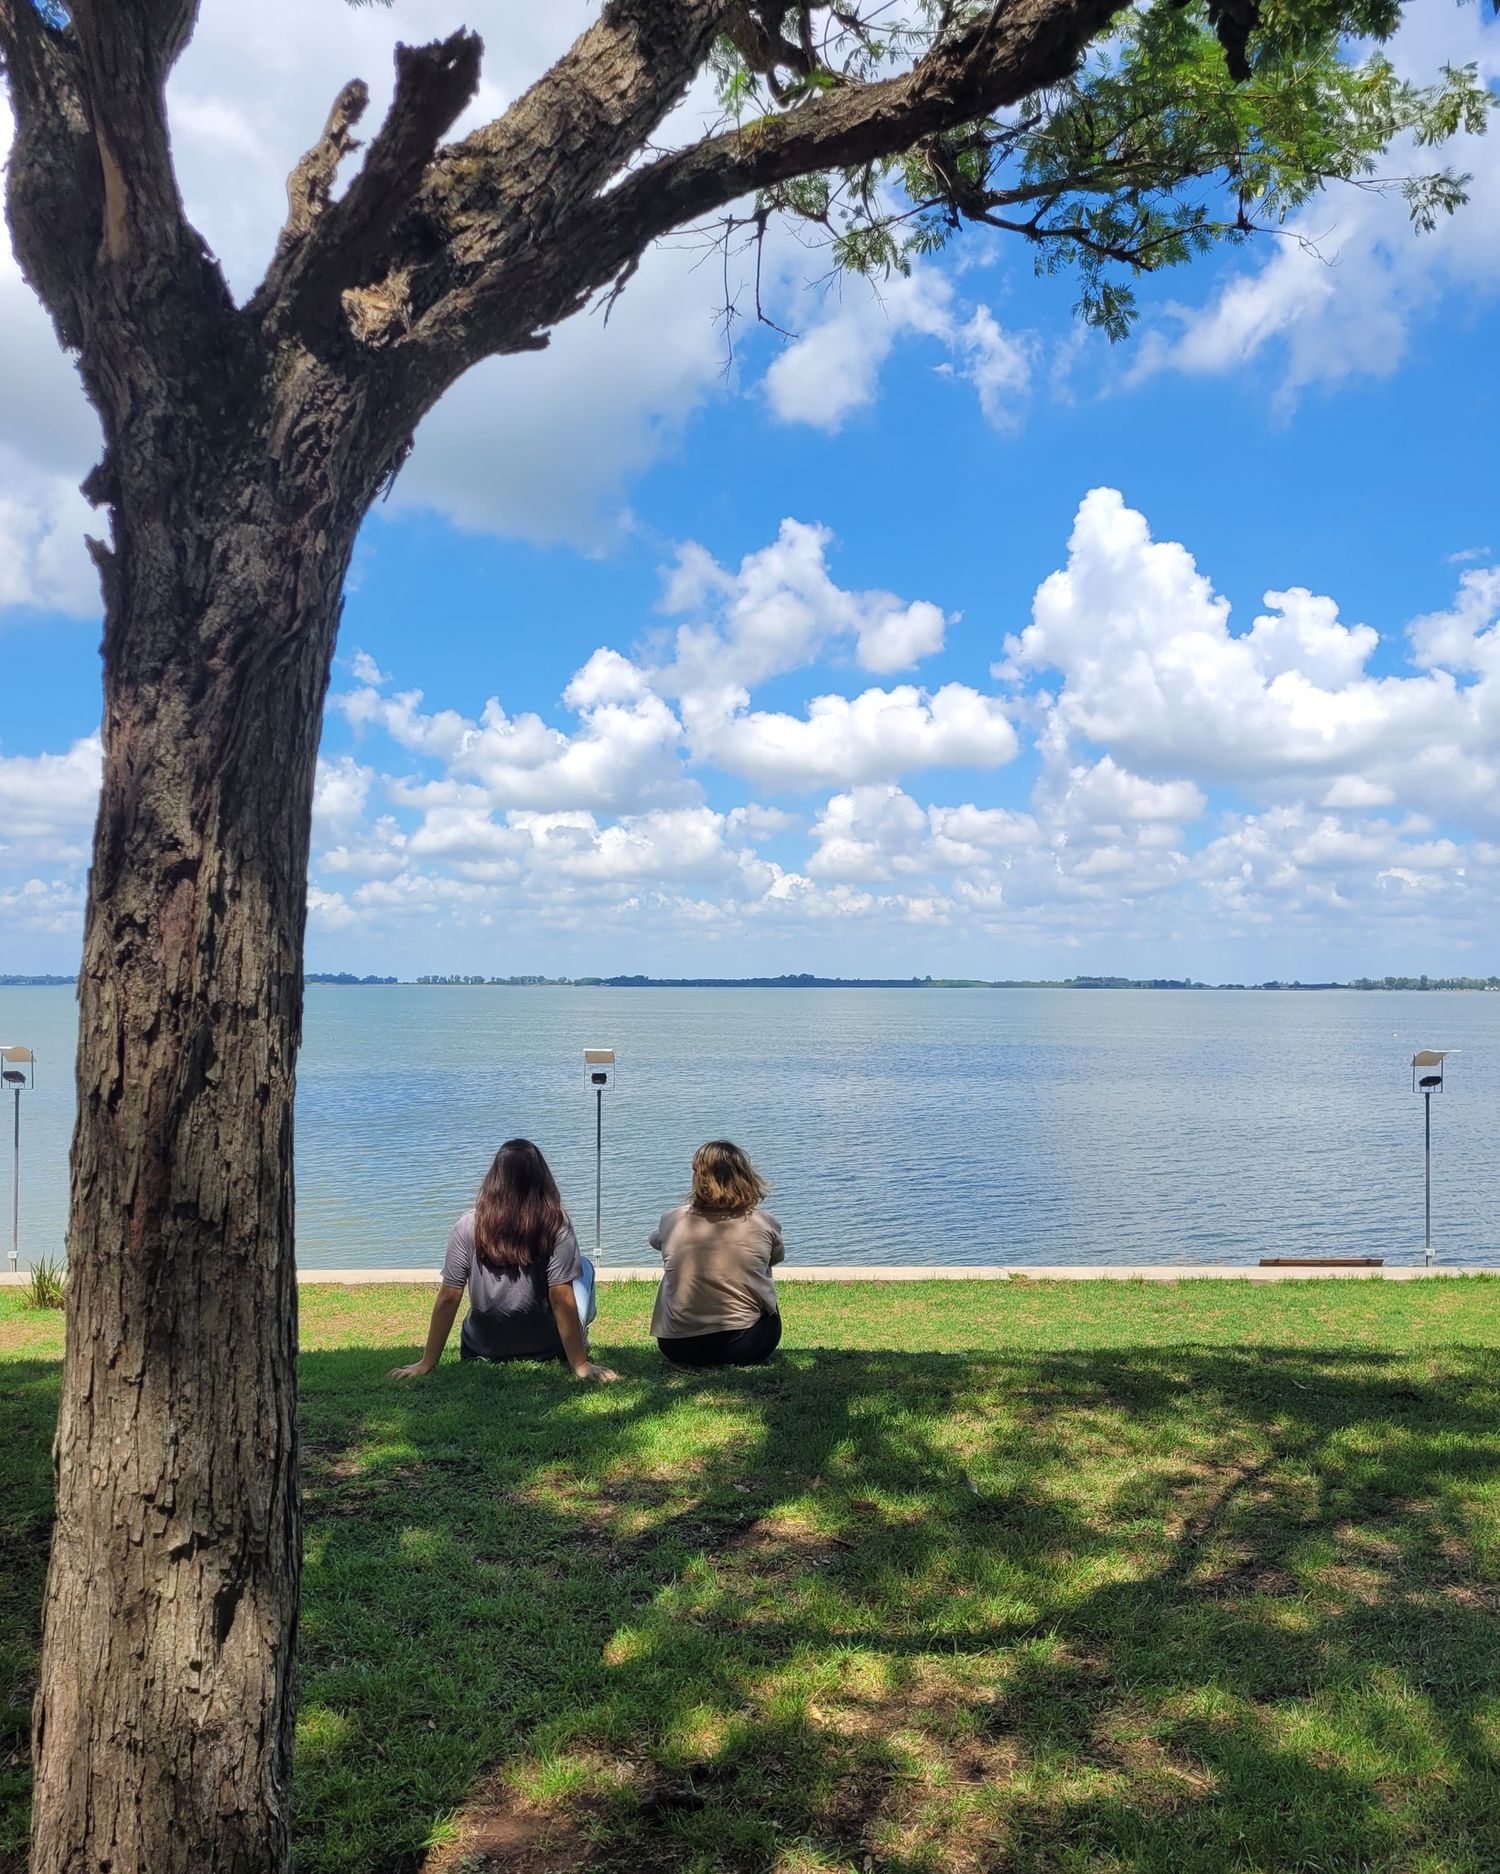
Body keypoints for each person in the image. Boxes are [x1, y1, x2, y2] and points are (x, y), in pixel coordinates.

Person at [391, 1139, 617, 1381]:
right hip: (547, 1348)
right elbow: (560, 1296)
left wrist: (427, 1362)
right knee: (584, 1266)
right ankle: (578, 1341)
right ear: (542, 1178)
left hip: (482, 1348)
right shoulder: (555, 1224)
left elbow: (449, 1297)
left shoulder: (467, 1225)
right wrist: (580, 1364)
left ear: (493, 1179)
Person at [650, 1140, 784, 1368]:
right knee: (763, 1279)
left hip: (678, 1347)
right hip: (748, 1345)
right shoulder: (764, 1222)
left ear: (697, 1177)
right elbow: (775, 1258)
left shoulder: (671, 1220)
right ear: (745, 1177)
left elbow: (656, 1242)